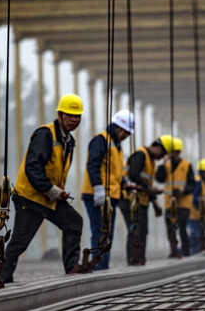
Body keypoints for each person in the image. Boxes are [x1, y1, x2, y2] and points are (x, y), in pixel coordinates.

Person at [0, 94, 84, 283]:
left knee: (73, 222)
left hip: (48, 196)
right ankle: (1, 277)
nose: (74, 120)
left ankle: (71, 266)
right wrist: (49, 189)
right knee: (21, 241)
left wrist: (57, 192)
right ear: (60, 115)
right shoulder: (45, 134)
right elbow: (32, 167)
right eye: (70, 115)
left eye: (77, 116)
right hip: (30, 197)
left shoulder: (68, 140)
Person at [80, 109, 133, 270]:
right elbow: (93, 165)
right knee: (100, 232)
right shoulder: (101, 140)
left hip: (110, 196)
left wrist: (125, 182)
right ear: (118, 128)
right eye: (125, 132)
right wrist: (98, 188)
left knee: (106, 233)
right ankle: (99, 268)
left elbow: (115, 172)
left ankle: (102, 267)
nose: (126, 136)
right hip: (97, 195)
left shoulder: (117, 147)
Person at [125, 134, 172, 265]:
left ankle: (140, 258)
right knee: (136, 230)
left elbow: (147, 184)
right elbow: (133, 175)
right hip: (133, 199)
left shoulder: (150, 161)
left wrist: (155, 201)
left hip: (142, 200)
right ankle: (133, 259)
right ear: (158, 147)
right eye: (162, 154)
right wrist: (149, 189)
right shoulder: (141, 154)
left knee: (142, 230)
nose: (161, 157)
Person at [155, 137, 195, 257]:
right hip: (169, 203)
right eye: (171, 152)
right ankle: (174, 250)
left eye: (175, 152)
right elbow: (159, 179)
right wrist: (162, 164)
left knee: (182, 228)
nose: (173, 154)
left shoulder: (187, 165)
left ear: (179, 152)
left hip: (183, 203)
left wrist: (183, 191)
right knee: (170, 228)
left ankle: (186, 252)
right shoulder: (166, 165)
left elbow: (192, 184)